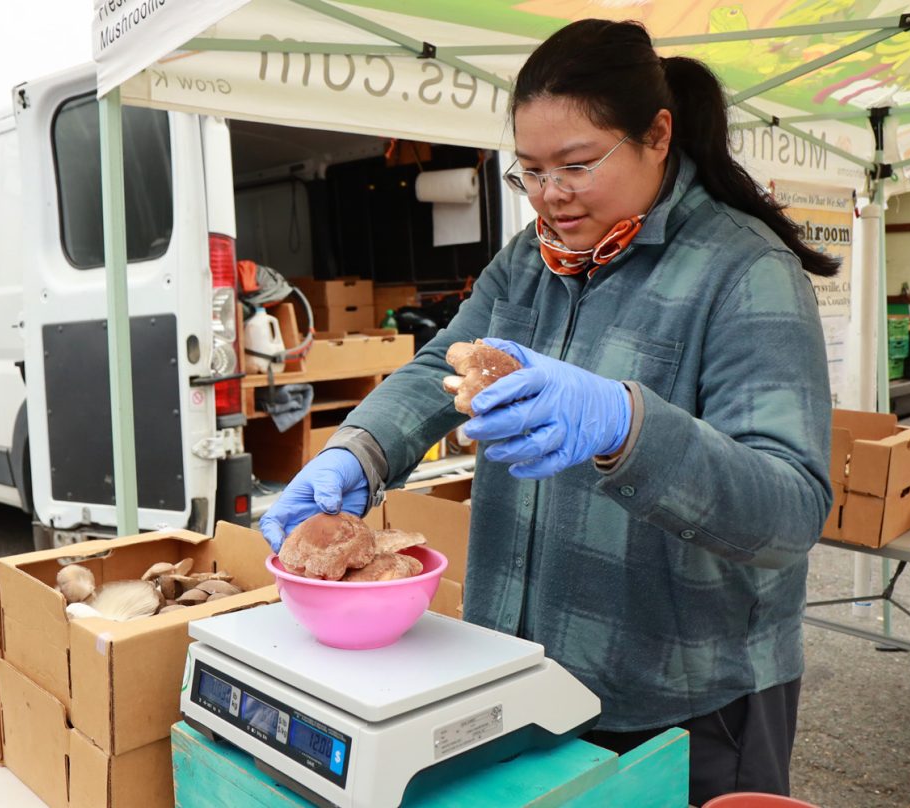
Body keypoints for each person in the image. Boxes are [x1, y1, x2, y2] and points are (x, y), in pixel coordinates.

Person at [260, 19, 836, 805]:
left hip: (686, 696)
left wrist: (627, 426)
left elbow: (790, 509)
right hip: (526, 673)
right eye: (527, 171)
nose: (550, 196)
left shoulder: (746, 272)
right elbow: (440, 366)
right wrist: (357, 451)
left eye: (576, 165)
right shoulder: (530, 259)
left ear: (657, 135)